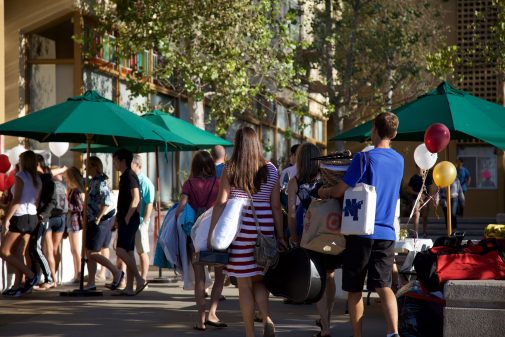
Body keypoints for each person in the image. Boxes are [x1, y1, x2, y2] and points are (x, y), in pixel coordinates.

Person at [318, 112, 404, 337]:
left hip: (361, 231)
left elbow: (340, 190)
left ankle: (358, 335)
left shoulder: (363, 158)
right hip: (387, 231)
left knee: (355, 288)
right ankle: (393, 331)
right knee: (384, 284)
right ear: (394, 133)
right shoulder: (399, 160)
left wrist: (324, 191)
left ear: (374, 129)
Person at [208, 127, 287, 337]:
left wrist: (212, 233)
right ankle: (266, 317)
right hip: (264, 230)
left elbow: (220, 203)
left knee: (244, 285)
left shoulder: (230, 168)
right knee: (260, 280)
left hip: (241, 230)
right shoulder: (271, 169)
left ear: (237, 144)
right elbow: (276, 207)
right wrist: (280, 236)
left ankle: (250, 333)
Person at [288, 142, 338, 337]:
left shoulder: (295, 181)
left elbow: (292, 213)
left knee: (317, 277)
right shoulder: (326, 177)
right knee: (330, 275)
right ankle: (328, 317)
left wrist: (293, 234)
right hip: (329, 229)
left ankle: (325, 325)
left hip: (308, 231)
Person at [175, 150, 223, 331]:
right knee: (219, 276)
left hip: (194, 236)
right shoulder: (218, 183)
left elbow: (182, 205)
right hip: (215, 235)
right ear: (211, 166)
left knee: (200, 278)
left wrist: (176, 216)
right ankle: (213, 311)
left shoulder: (189, 183)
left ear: (194, 167)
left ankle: (201, 320)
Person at [0, 150, 42, 296]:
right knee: (20, 252)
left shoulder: (21, 176)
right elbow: (35, 200)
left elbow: (17, 200)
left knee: (4, 251)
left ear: (24, 161)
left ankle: (30, 276)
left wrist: (6, 219)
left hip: (21, 216)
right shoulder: (37, 178)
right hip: (32, 216)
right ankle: (18, 284)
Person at [111, 149, 148, 296]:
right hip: (126, 218)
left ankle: (139, 279)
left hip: (129, 219)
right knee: (129, 252)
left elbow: (137, 198)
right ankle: (129, 287)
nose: (114, 164)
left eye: (115, 161)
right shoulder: (125, 176)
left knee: (120, 250)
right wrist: (118, 218)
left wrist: (127, 217)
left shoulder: (129, 176)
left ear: (122, 161)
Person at [84, 156, 123, 291]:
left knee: (93, 253)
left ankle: (116, 272)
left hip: (99, 221)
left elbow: (106, 202)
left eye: (87, 165)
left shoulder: (100, 182)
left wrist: (98, 218)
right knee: (89, 252)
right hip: (93, 220)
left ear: (94, 166)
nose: (85, 168)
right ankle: (91, 282)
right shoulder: (94, 181)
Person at [117, 154, 155, 282]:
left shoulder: (144, 181)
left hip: (138, 221)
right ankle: (129, 283)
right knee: (129, 251)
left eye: (131, 163)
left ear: (137, 165)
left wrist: (144, 222)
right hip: (132, 219)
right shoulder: (130, 177)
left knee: (141, 250)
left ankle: (142, 278)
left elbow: (149, 203)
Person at [32, 154, 56, 289]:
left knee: (37, 248)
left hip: (42, 218)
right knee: (33, 249)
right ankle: (36, 277)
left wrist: (42, 215)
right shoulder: (37, 179)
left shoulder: (47, 180)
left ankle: (49, 278)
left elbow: (52, 201)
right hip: (35, 217)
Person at [43, 167, 69, 287]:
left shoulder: (49, 184)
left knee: (49, 250)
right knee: (55, 249)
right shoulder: (64, 187)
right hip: (62, 218)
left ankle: (52, 279)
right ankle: (55, 277)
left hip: (50, 217)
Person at [64, 167, 84, 283]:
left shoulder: (76, 190)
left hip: (75, 222)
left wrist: (67, 207)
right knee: (73, 250)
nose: (65, 179)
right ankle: (76, 273)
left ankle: (79, 274)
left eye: (67, 176)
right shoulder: (71, 189)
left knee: (76, 250)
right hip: (71, 221)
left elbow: (80, 207)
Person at [406, 165, 433, 237]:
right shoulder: (413, 178)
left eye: (422, 167)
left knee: (425, 216)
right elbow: (409, 189)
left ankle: (425, 232)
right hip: (416, 199)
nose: (421, 168)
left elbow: (430, 188)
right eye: (419, 167)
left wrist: (428, 197)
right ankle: (415, 233)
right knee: (416, 215)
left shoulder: (427, 178)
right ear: (417, 167)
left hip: (425, 200)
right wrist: (417, 194)